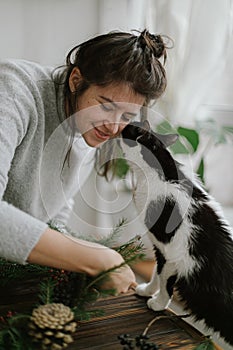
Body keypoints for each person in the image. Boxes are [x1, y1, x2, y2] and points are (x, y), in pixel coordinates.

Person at [0, 29, 168, 294]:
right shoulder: (13, 89)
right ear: (76, 80)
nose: (113, 127)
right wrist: (93, 259)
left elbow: (54, 209)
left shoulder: (88, 124)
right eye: (106, 105)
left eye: (127, 116)